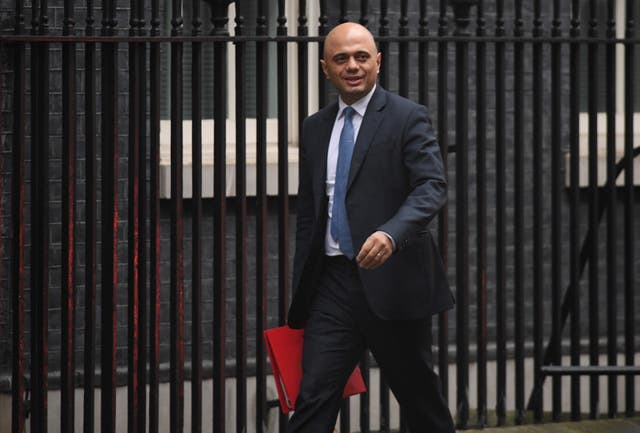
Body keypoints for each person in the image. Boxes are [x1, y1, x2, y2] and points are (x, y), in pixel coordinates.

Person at [287, 22, 455, 433]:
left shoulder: (407, 117)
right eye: (341, 58)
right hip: (333, 285)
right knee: (314, 396)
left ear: (378, 62)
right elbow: (310, 214)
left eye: (361, 56)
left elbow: (431, 187)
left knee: (419, 400)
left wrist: (390, 234)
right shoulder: (314, 128)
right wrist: (304, 289)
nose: (353, 66)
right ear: (325, 68)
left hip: (392, 281)